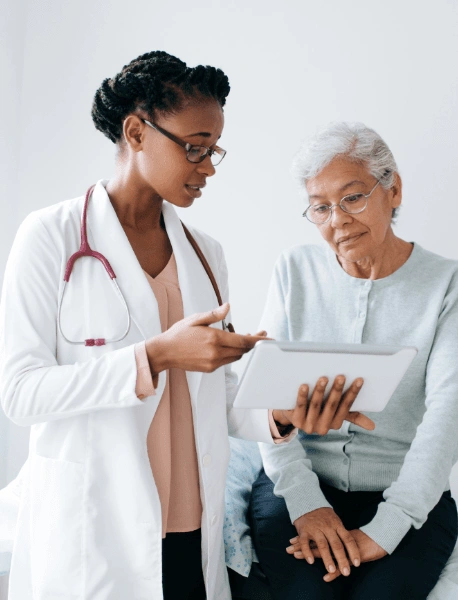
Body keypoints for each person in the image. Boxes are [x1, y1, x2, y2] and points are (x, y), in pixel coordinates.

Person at [0, 54, 369, 600]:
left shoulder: (206, 255)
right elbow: (20, 393)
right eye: (195, 147)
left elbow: (214, 399)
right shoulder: (50, 237)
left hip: (189, 526)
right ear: (136, 131)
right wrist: (155, 357)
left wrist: (282, 413)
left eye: (214, 150)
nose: (209, 166)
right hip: (95, 530)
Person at [250, 122, 458, 600]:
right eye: (320, 207)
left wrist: (388, 528)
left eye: (352, 197)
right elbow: (266, 405)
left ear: (393, 189)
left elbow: (447, 417)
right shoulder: (293, 271)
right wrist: (306, 503)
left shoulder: (447, 285)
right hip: (298, 484)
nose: (337, 220)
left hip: (406, 495)